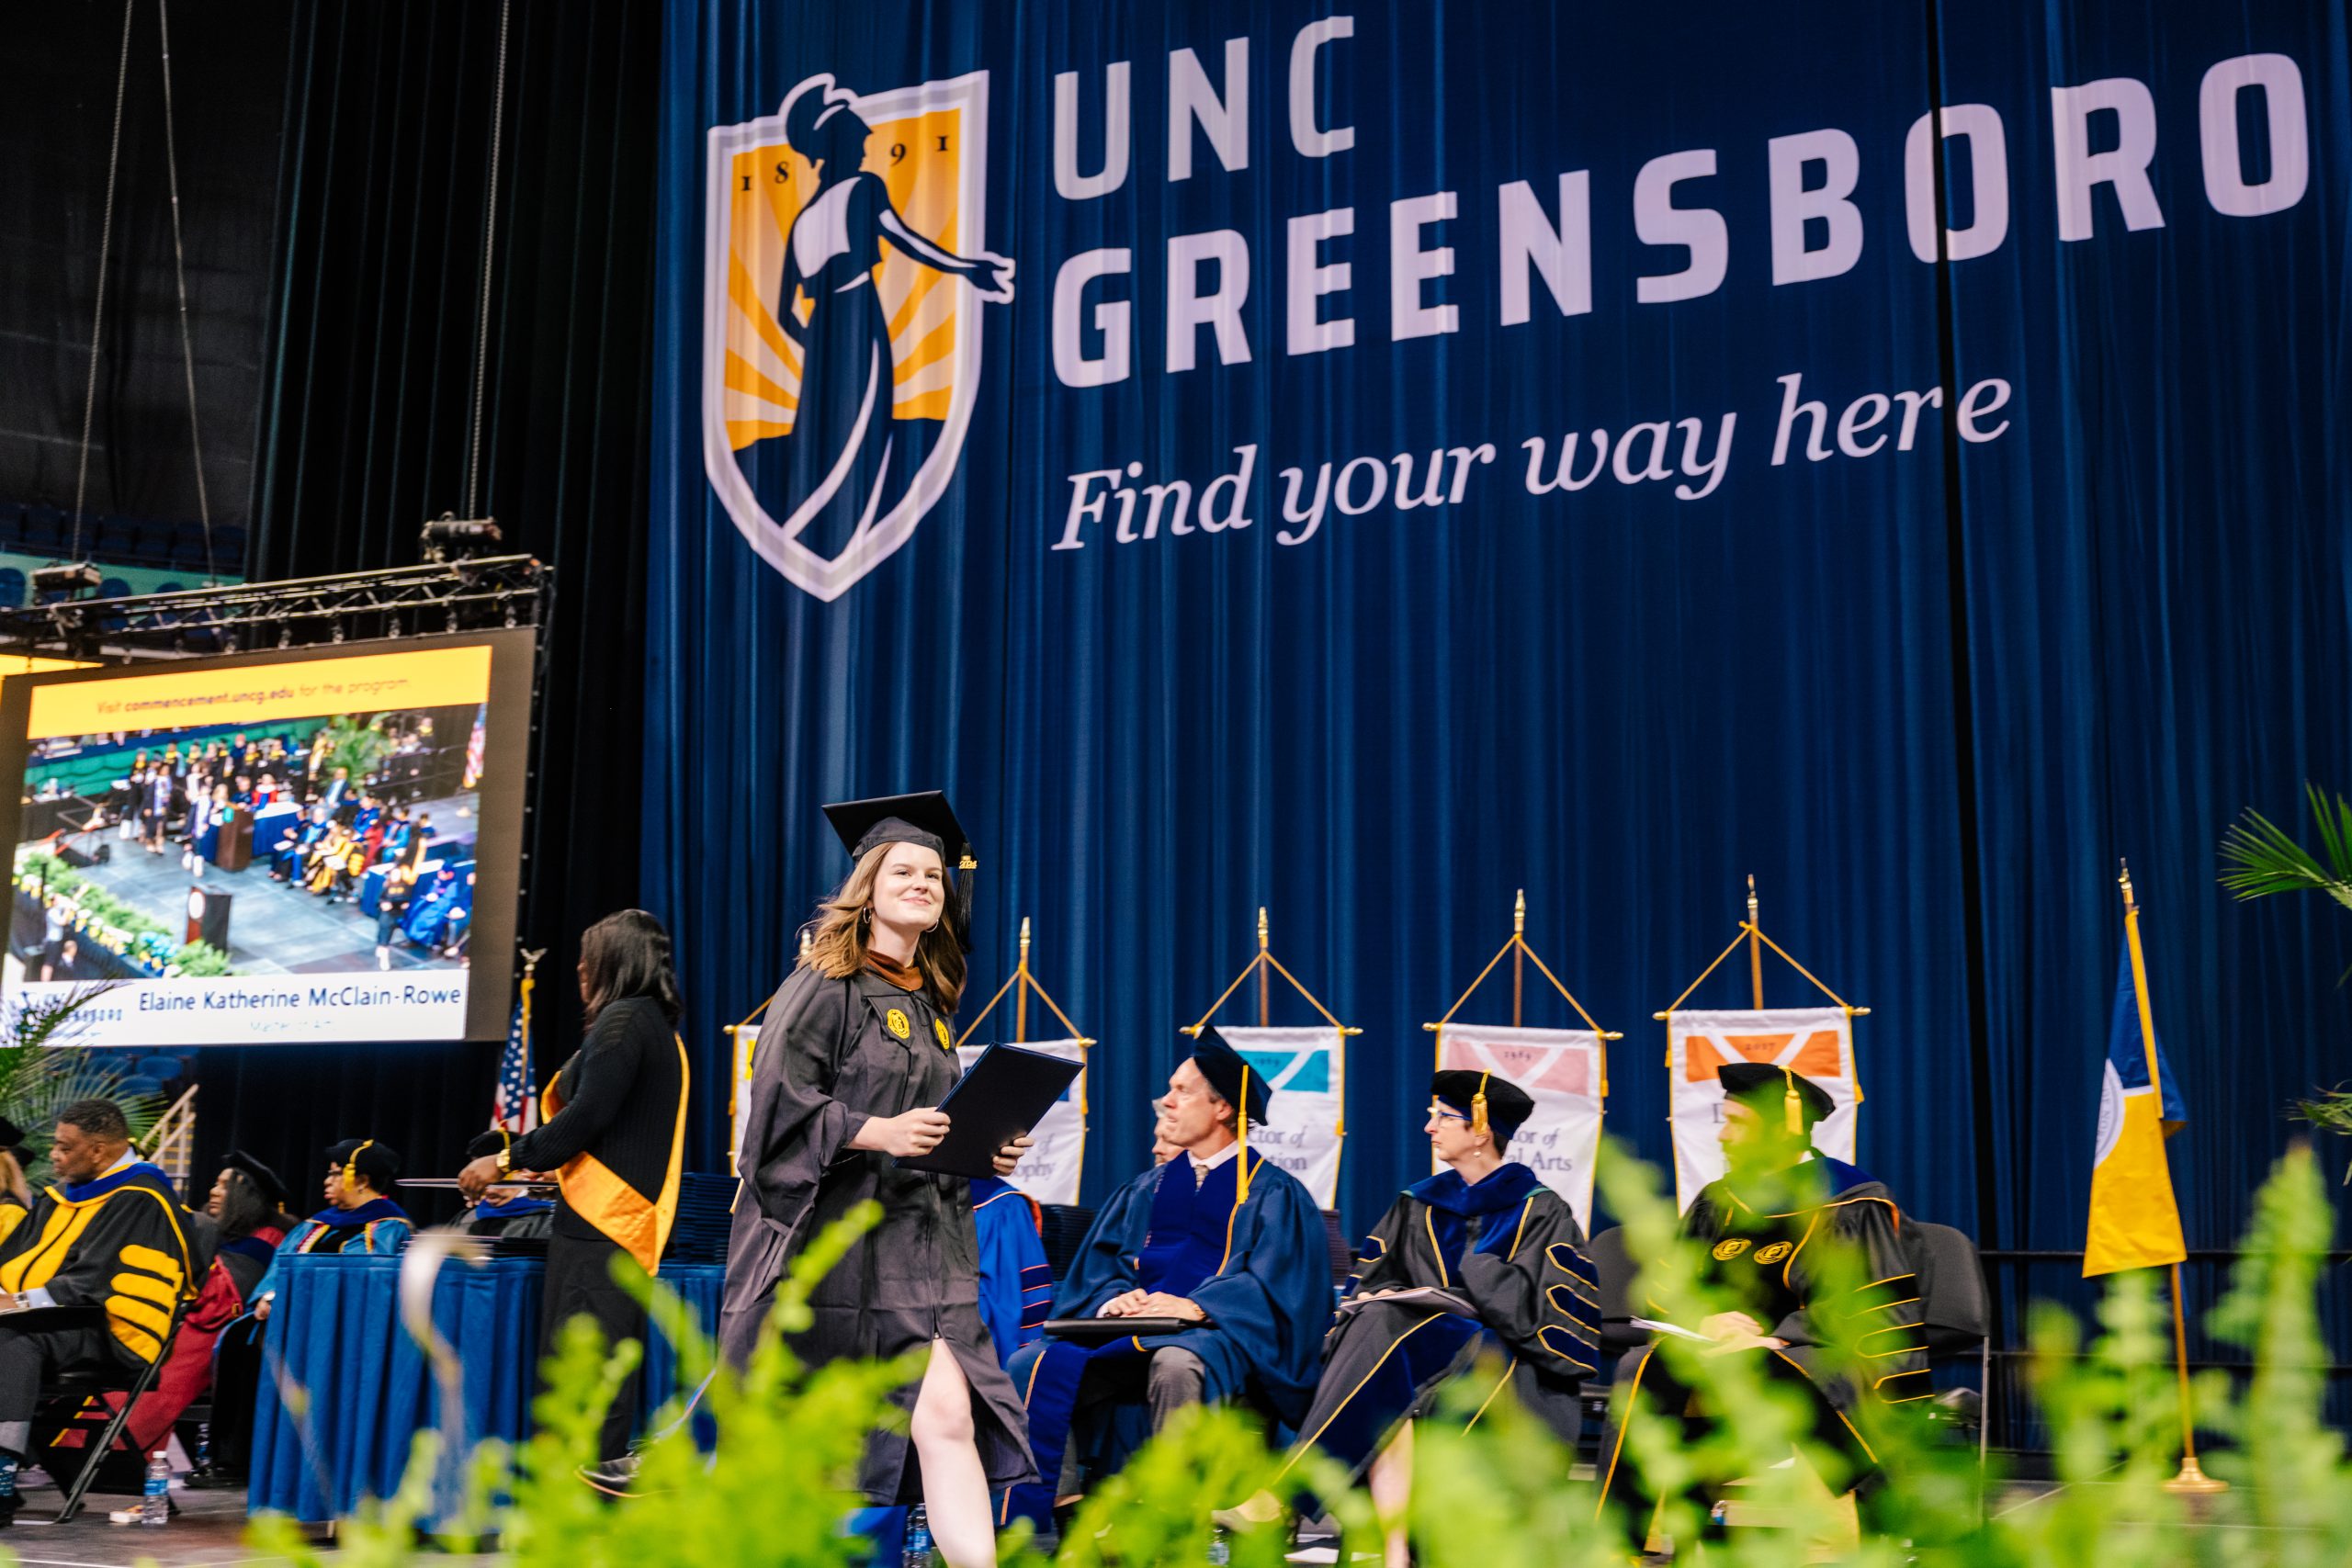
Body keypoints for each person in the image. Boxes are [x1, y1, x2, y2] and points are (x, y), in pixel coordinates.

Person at [719, 793, 1035, 1568]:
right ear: (868, 886)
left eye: (933, 874)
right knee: (810, 1442)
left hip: (917, 1248)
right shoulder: (824, 983)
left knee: (948, 1415)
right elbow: (776, 1110)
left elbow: (928, 1119)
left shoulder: (929, 999)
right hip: (829, 1247)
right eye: (904, 871)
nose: (923, 882)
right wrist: (875, 1131)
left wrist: (982, 1148)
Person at [1225, 1072, 1599, 1562]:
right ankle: (1395, 1549)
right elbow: (1369, 1284)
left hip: (1502, 1356)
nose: (1429, 1127)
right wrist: (1394, 1295)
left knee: (1385, 1334)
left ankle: (1286, 1496)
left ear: (1481, 1131)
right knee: (1378, 1327)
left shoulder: (1541, 1211)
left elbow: (1550, 1318)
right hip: (1411, 1348)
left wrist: (1478, 1271)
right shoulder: (1417, 1203)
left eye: (1443, 1117)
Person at [1598, 1064, 1928, 1554]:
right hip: (1718, 1352)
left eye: (1737, 1123)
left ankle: (1835, 1540)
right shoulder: (1718, 1201)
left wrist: (1778, 1338)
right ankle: (1630, 1539)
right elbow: (1670, 1289)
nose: (1723, 1136)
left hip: (1814, 1352)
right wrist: (1704, 1320)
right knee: (1641, 1365)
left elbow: (1874, 1304)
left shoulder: (1850, 1201)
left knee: (1791, 1369)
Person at [1005, 1030, 1329, 1522]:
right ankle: (1070, 1515)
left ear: (1223, 1108)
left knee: (1177, 1363)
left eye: (1182, 1092)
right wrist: (1115, 1297)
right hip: (1129, 1332)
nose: (1167, 1102)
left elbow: (1286, 1288)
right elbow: (1104, 1266)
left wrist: (1200, 1305)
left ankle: (1175, 1520)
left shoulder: (1274, 1193)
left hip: (1218, 1338)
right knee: (1031, 1362)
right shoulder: (1144, 1189)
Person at [458, 908, 690, 1472]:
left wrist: (507, 1160)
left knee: (579, 1375)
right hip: (614, 1230)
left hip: (601, 1230)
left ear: (616, 962)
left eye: (589, 962)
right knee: (600, 1374)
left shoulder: (623, 1020)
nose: (581, 972)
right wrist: (525, 1153)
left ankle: (573, 1501)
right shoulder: (653, 1026)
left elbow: (586, 1117)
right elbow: (607, 1131)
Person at [754, 80, 1015, 560]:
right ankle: (842, 526)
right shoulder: (864, 187)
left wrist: (816, 344)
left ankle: (815, 523)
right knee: (866, 418)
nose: (866, 140)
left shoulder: (802, 220)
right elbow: (907, 240)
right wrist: (966, 268)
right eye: (858, 134)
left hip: (824, 330)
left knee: (827, 425)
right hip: (858, 315)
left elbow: (783, 311)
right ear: (837, 143)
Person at [0, 1100, 201, 1527]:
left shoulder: (142, 1198)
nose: (54, 1155)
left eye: (64, 1147)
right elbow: (11, 1261)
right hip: (53, 1323)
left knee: (10, 1337)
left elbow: (94, 1281)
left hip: (111, 1330)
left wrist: (19, 1304)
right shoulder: (62, 1196)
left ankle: (1, 1474)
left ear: (97, 1150)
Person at [119, 1152, 295, 1482]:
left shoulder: (268, 1238)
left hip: (218, 1334)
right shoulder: (221, 1233)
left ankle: (116, 1452)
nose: (214, 1191)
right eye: (216, 1183)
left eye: (225, 1186)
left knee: (158, 1373)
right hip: (185, 1322)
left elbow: (221, 1301)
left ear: (247, 1196)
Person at [246, 1138, 414, 1320]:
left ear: (362, 1181)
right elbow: (280, 1266)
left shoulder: (391, 1228)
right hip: (301, 1320)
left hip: (355, 1322)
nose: (327, 1181)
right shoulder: (313, 1226)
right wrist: (268, 1295)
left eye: (336, 1174)